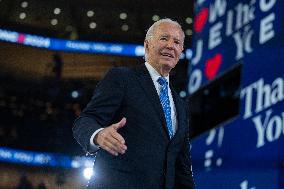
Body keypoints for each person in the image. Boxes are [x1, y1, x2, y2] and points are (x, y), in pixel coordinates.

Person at [73, 18, 195, 189]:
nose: (170, 45)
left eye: (177, 42)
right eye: (164, 38)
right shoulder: (122, 78)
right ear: (147, 45)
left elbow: (182, 169)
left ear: (180, 51)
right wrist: (99, 134)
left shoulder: (180, 105)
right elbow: (85, 120)